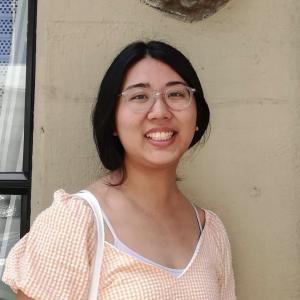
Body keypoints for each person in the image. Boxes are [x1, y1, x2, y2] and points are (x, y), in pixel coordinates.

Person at [2, 41, 236, 299]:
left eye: (176, 94)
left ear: (196, 116)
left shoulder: (211, 231)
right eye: (139, 96)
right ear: (113, 120)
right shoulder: (76, 222)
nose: (160, 111)